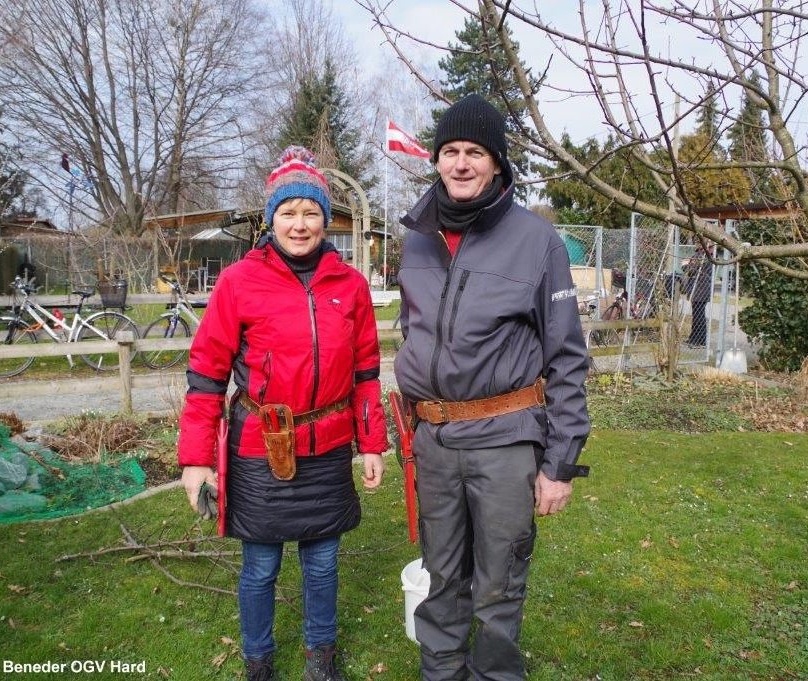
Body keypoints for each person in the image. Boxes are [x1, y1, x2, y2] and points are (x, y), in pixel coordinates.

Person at [393, 94, 591, 681]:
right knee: (440, 576)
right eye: (449, 151)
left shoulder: (536, 241)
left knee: (499, 583)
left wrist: (559, 463)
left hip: (504, 440)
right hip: (434, 442)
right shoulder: (417, 238)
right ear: (436, 159)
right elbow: (416, 332)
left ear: (497, 163)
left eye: (474, 152)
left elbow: (567, 356)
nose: (460, 164)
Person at [177, 146, 388, 681]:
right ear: (271, 219)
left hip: (329, 448)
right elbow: (206, 375)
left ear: (326, 219)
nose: (300, 224)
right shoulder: (238, 283)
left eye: (311, 212)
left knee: (322, 563)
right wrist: (196, 458)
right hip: (260, 448)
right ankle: (259, 661)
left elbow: (366, 373)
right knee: (261, 567)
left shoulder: (350, 285)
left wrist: (370, 443)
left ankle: (321, 657)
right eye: (288, 212)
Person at [684, 246, 713, 347]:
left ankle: (699, 340)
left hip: (699, 292)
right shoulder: (702, 256)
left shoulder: (703, 257)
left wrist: (687, 265)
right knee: (697, 315)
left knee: (699, 316)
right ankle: (694, 337)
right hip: (699, 291)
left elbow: (690, 270)